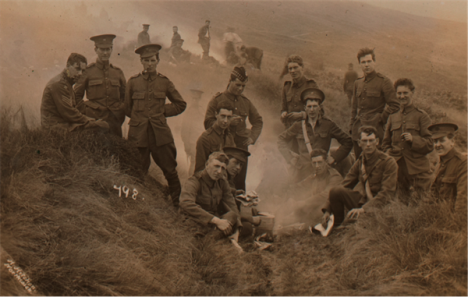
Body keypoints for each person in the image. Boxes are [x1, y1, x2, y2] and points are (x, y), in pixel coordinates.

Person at [124, 44, 187, 207]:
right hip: (139, 135)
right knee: (137, 171)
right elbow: (127, 108)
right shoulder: (132, 82)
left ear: (158, 60)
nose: (149, 64)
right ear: (141, 61)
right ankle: (137, 205)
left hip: (160, 134)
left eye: (152, 60)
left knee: (170, 171)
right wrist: (140, 118)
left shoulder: (164, 82)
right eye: (146, 60)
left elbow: (180, 104)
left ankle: (176, 206)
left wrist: (161, 111)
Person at [321, 126, 398, 228]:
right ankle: (338, 226)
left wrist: (364, 209)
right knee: (335, 191)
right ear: (359, 143)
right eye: (365, 141)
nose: (368, 144)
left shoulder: (388, 162)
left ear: (377, 141)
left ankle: (359, 221)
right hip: (364, 202)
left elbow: (387, 194)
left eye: (371, 140)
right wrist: (328, 210)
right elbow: (345, 184)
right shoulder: (361, 161)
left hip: (381, 205)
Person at [204, 66, 263, 191]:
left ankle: (236, 208)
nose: (240, 88)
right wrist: (228, 122)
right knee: (219, 177)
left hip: (241, 147)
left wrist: (252, 137)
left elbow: (258, 121)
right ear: (230, 81)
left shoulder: (246, 102)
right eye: (237, 85)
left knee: (239, 181)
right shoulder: (217, 100)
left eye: (243, 86)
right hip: (222, 144)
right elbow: (208, 123)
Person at [278, 88, 353, 182]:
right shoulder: (298, 125)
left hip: (323, 172)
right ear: (305, 108)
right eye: (309, 106)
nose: (312, 110)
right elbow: (281, 139)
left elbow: (348, 141)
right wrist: (290, 158)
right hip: (303, 171)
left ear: (320, 107)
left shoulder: (328, 125)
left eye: (314, 106)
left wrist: (334, 158)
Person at [382, 78, 433, 196]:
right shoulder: (392, 117)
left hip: (418, 169)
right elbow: (385, 143)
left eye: (405, 93)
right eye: (399, 93)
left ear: (412, 93)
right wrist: (390, 155)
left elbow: (430, 143)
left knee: (422, 202)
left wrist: (413, 140)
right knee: (399, 203)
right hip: (398, 171)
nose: (402, 96)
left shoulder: (422, 116)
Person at [179, 152, 242, 244]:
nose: (219, 171)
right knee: (197, 232)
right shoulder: (194, 181)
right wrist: (217, 221)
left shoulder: (222, 182)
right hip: (196, 220)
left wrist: (237, 231)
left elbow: (232, 205)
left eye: (223, 168)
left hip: (213, 224)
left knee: (233, 215)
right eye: (216, 166)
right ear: (207, 165)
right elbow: (186, 203)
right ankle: (211, 241)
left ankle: (214, 239)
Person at [349, 48, 400, 158]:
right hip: (358, 130)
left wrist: (381, 118)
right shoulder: (358, 83)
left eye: (369, 61)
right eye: (363, 62)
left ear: (374, 62)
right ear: (359, 64)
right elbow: (354, 108)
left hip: (376, 130)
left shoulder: (384, 82)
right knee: (359, 162)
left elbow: (395, 105)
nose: (366, 65)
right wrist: (352, 125)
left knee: (376, 164)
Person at [41, 53, 109, 132]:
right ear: (68, 65)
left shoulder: (67, 83)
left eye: (83, 71)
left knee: (102, 124)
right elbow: (69, 113)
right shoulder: (59, 84)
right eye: (77, 69)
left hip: (63, 124)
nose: (80, 74)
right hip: (55, 127)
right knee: (102, 125)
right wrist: (91, 120)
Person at [74, 34, 126, 137]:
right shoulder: (88, 72)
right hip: (94, 121)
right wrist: (87, 113)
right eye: (102, 49)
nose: (105, 53)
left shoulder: (117, 72)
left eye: (108, 49)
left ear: (111, 49)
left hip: (114, 123)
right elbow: (76, 96)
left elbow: (125, 97)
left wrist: (119, 112)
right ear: (96, 50)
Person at [287, 149, 343, 225]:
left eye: (320, 162)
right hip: (315, 208)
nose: (317, 166)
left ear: (326, 162)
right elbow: (298, 187)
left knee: (306, 216)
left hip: (329, 210)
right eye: (314, 163)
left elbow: (326, 195)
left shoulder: (334, 176)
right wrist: (291, 197)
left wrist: (304, 203)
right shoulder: (315, 176)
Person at [429, 123, 468, 212]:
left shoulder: (463, 163)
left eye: (442, 140)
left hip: (453, 219)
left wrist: (455, 224)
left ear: (452, 141)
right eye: (435, 141)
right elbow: (432, 195)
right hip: (438, 217)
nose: (437, 145)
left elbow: (463, 202)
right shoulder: (438, 164)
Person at [194, 100, 236, 173]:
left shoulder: (229, 137)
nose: (226, 121)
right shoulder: (205, 138)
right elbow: (200, 170)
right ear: (216, 115)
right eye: (223, 116)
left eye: (229, 117)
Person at [280, 55, 319, 129]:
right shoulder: (286, 87)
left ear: (302, 68)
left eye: (295, 67)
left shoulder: (311, 85)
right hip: (289, 130)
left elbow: (320, 112)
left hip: (306, 130)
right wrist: (283, 113)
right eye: (290, 68)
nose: (292, 71)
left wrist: (302, 115)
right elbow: (283, 108)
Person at [181, 89, 206, 175]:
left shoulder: (202, 111)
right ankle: (190, 182)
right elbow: (185, 129)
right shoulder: (189, 112)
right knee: (194, 163)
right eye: (193, 99)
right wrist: (186, 144)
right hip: (193, 143)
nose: (195, 101)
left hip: (202, 142)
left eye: (197, 99)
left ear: (200, 99)